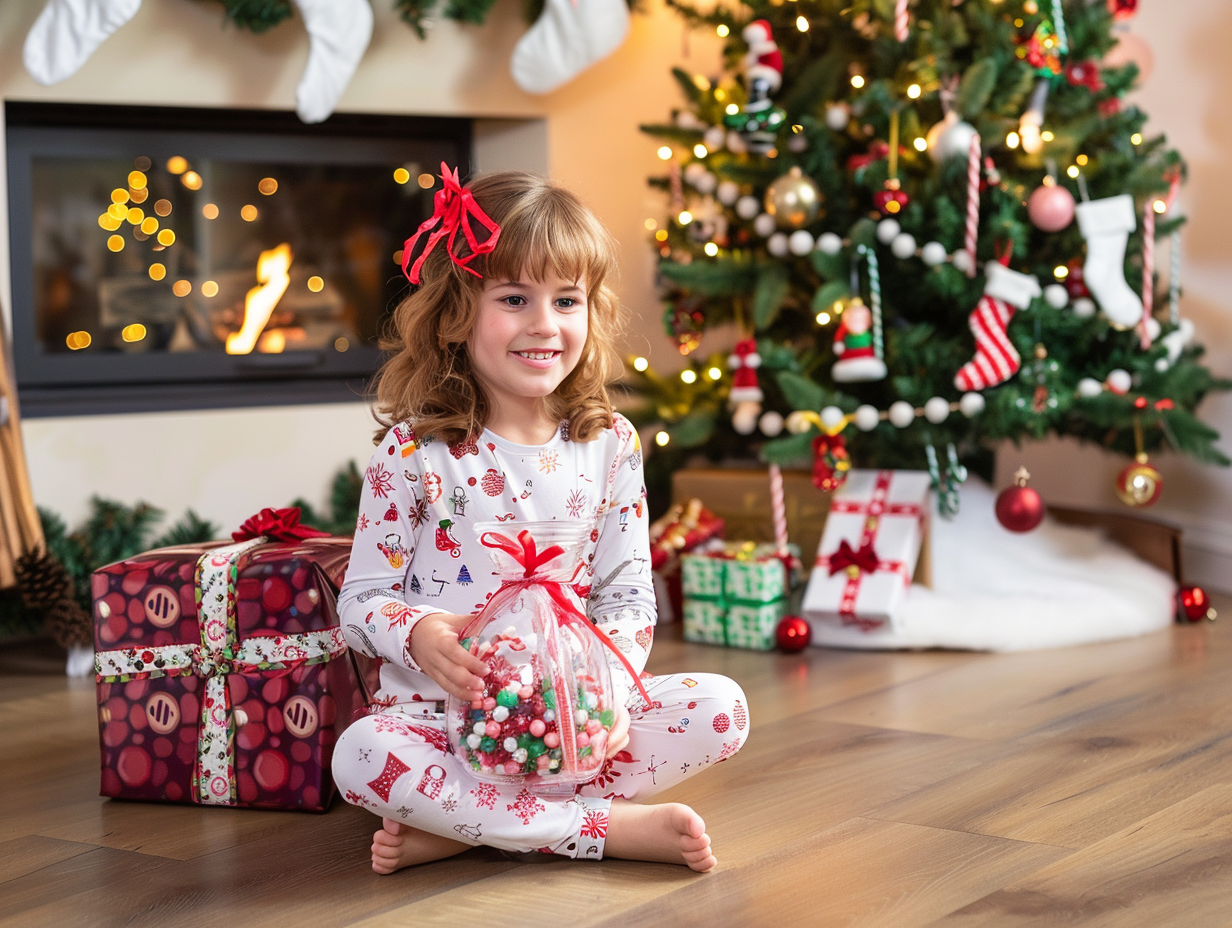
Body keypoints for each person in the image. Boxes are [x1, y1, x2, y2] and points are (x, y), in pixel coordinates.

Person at [333, 166, 750, 874]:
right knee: (359, 757)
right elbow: (361, 601)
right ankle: (603, 828)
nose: (544, 325)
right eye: (515, 298)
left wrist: (606, 695)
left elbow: (627, 594)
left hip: (573, 721)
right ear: (456, 311)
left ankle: (470, 827)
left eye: (567, 300)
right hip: (439, 724)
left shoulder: (611, 443)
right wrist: (420, 632)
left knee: (722, 708)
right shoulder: (413, 454)